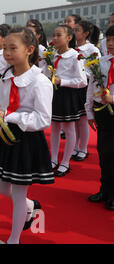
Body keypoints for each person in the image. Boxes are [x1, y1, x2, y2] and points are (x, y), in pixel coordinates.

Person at [0, 27, 54, 244]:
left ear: (29, 50)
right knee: (1, 187)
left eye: (12, 48)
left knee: (17, 194)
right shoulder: (7, 76)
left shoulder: (40, 81)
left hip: (26, 139)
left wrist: (12, 117)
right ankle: (30, 206)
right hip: (6, 136)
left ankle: (14, 239)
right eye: (5, 48)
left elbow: (43, 119)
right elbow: (0, 104)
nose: (6, 53)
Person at [49, 25, 87, 177]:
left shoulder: (75, 56)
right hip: (54, 94)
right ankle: (53, 159)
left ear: (69, 38)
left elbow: (82, 81)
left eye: (59, 35)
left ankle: (65, 162)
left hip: (68, 95)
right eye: (54, 35)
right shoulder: (52, 54)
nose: (55, 38)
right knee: (54, 128)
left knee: (69, 129)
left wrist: (61, 81)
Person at [85, 25, 114, 210]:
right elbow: (91, 88)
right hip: (103, 111)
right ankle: (105, 189)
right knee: (104, 153)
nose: (110, 44)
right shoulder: (100, 62)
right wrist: (89, 111)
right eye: (108, 40)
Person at [72, 21, 102, 161]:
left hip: (85, 87)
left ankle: (83, 148)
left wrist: (83, 73)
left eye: (77, 30)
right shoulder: (72, 48)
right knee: (75, 120)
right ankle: (75, 147)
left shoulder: (92, 50)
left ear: (86, 33)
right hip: (73, 87)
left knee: (82, 120)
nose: (74, 33)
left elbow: (96, 71)